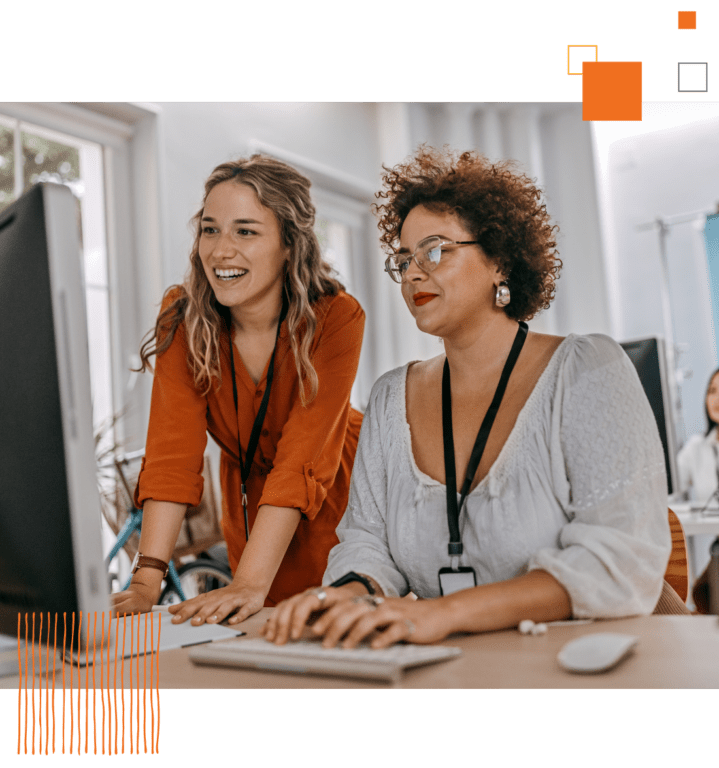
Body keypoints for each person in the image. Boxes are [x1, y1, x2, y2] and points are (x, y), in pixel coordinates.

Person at [264, 146, 672, 648]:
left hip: (588, 668)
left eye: (434, 251)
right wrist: (347, 595)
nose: (413, 273)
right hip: (452, 672)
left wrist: (444, 613)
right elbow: (367, 543)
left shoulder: (587, 370)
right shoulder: (391, 398)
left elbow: (617, 561)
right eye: (404, 259)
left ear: (499, 260)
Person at [112, 155, 365, 626]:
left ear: (289, 244)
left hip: (335, 495)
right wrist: (146, 580)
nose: (221, 251)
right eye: (210, 230)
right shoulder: (182, 318)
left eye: (245, 231)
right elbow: (172, 455)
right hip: (249, 501)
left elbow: (301, 460)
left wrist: (249, 581)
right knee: (251, 636)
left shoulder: (336, 317)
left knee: (324, 639)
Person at [677, 368, 719, 506]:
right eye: (712, 391)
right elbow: (670, 485)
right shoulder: (696, 447)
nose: (716, 398)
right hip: (709, 527)